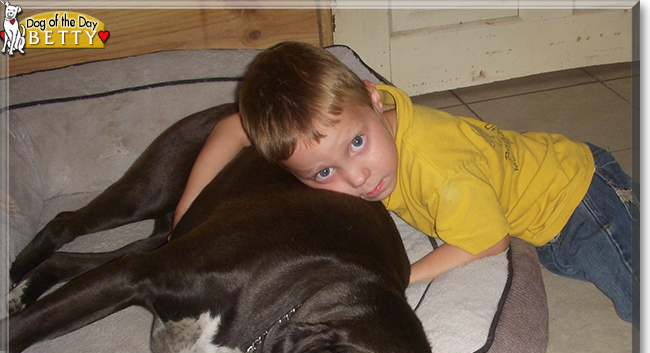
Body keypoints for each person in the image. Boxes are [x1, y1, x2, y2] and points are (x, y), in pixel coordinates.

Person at [172, 41, 639, 326]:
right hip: (544, 214)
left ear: (374, 101)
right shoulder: (363, 118)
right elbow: (231, 129)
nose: (358, 178)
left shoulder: (438, 170)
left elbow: (490, 241)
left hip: (581, 202)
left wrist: (402, 276)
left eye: (356, 143)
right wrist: (183, 223)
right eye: (324, 173)